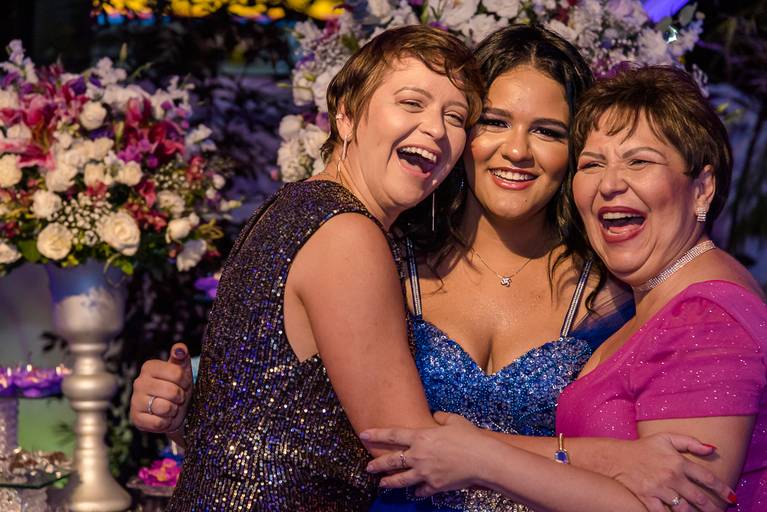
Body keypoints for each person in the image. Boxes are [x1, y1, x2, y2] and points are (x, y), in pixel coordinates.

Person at [133, 27, 733, 512]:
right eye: (492, 122)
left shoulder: (616, 288)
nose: (517, 150)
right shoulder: (385, 255)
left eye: (547, 132)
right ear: (345, 116)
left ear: (574, 154)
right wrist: (191, 406)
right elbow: (351, 427)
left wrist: (196, 407)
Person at [363, 65, 767, 512]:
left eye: (639, 161)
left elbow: (680, 507)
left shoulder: (705, 318)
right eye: (593, 164)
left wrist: (483, 458)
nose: (610, 184)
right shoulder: (659, 301)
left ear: (702, 188)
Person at [131, 25, 485, 510]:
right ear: (346, 115)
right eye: (411, 103)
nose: (436, 130)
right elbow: (405, 452)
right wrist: (563, 473)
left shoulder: (294, 208)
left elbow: (253, 419)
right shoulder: (347, 234)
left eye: (455, 116)